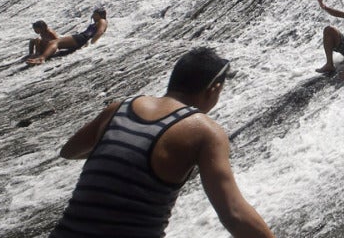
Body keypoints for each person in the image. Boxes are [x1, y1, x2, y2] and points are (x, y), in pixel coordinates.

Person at [49, 47, 274, 238]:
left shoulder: (119, 108)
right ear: (214, 89)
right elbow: (234, 213)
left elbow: (69, 151)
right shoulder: (204, 130)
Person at [27, 7, 108, 65]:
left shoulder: (102, 20)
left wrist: (92, 42)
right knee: (53, 42)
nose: (93, 16)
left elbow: (100, 31)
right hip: (81, 37)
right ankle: (43, 55)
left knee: (55, 42)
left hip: (82, 38)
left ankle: (42, 58)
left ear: (100, 15)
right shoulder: (97, 22)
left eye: (95, 14)